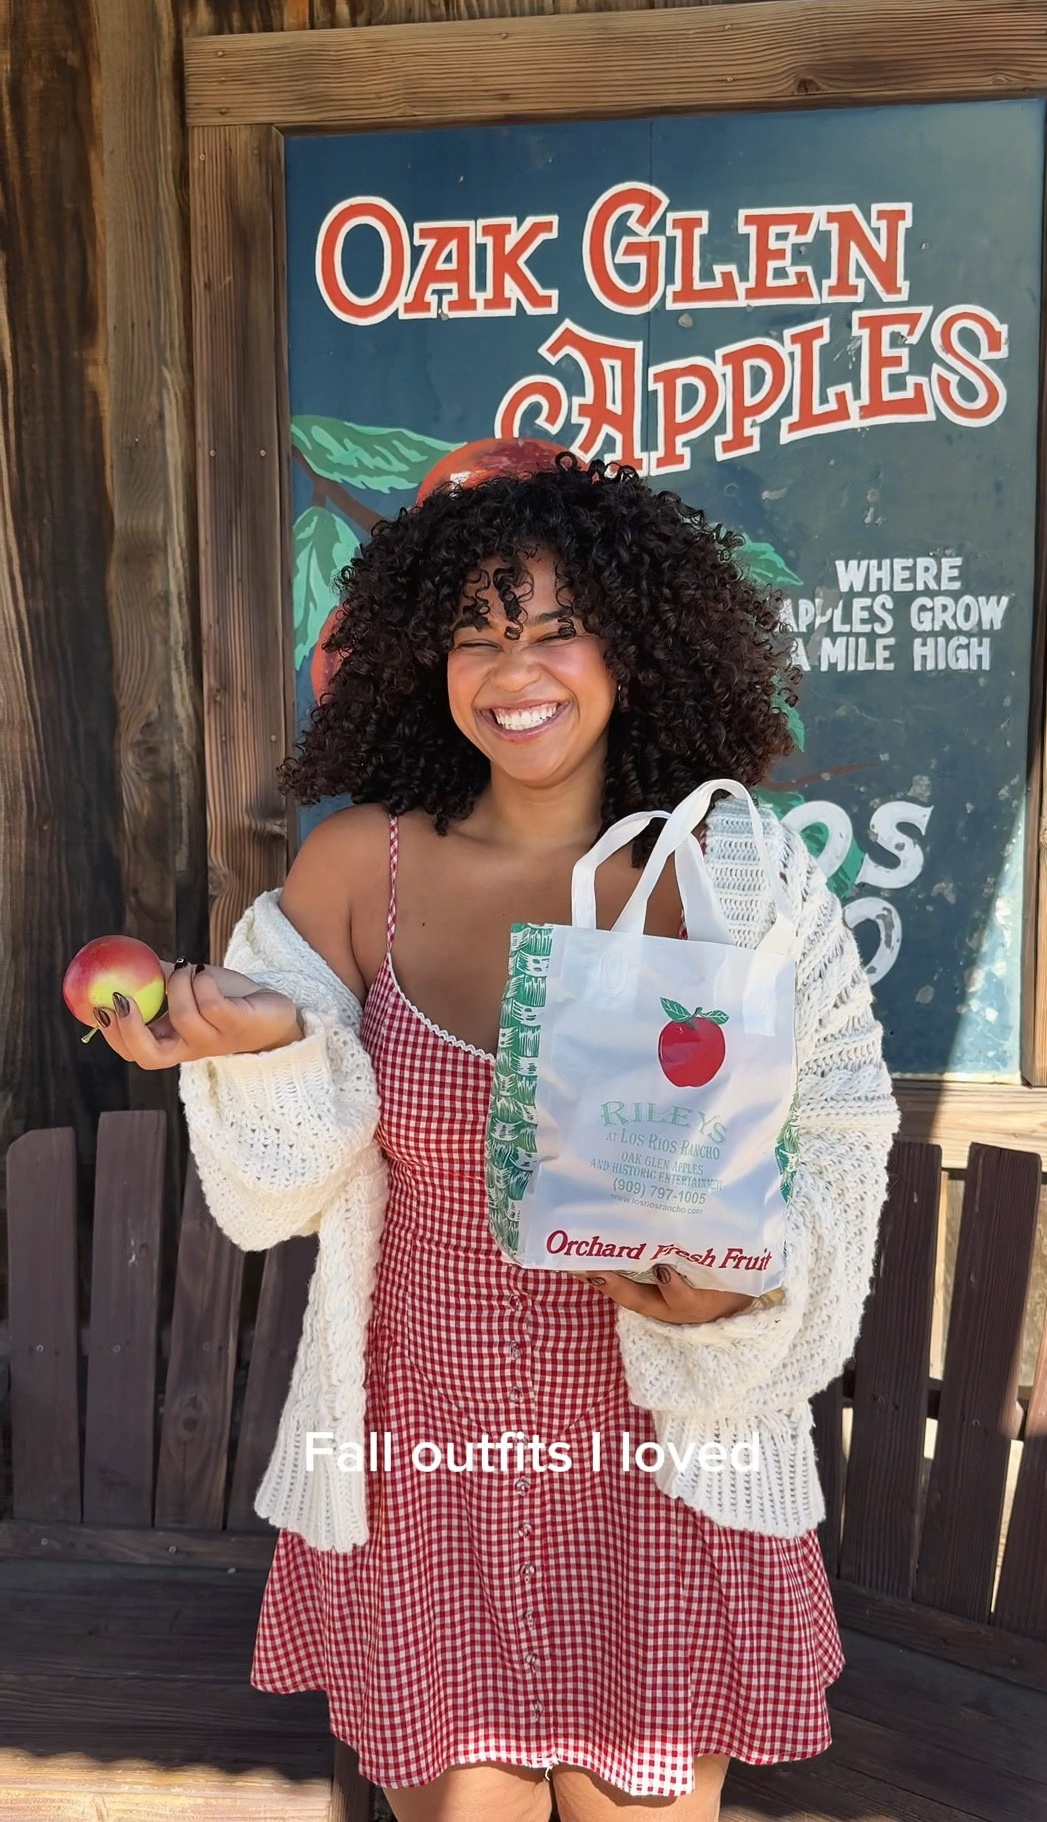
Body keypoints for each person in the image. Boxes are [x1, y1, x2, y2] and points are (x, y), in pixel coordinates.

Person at [93, 456, 900, 1822]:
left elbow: (836, 1141)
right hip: (425, 1461)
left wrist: (736, 1296)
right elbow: (274, 1193)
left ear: (634, 644)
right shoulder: (359, 869)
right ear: (425, 657)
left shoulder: (738, 875)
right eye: (477, 629)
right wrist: (266, 1050)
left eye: (553, 625)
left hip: (660, 1457)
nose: (512, 666)